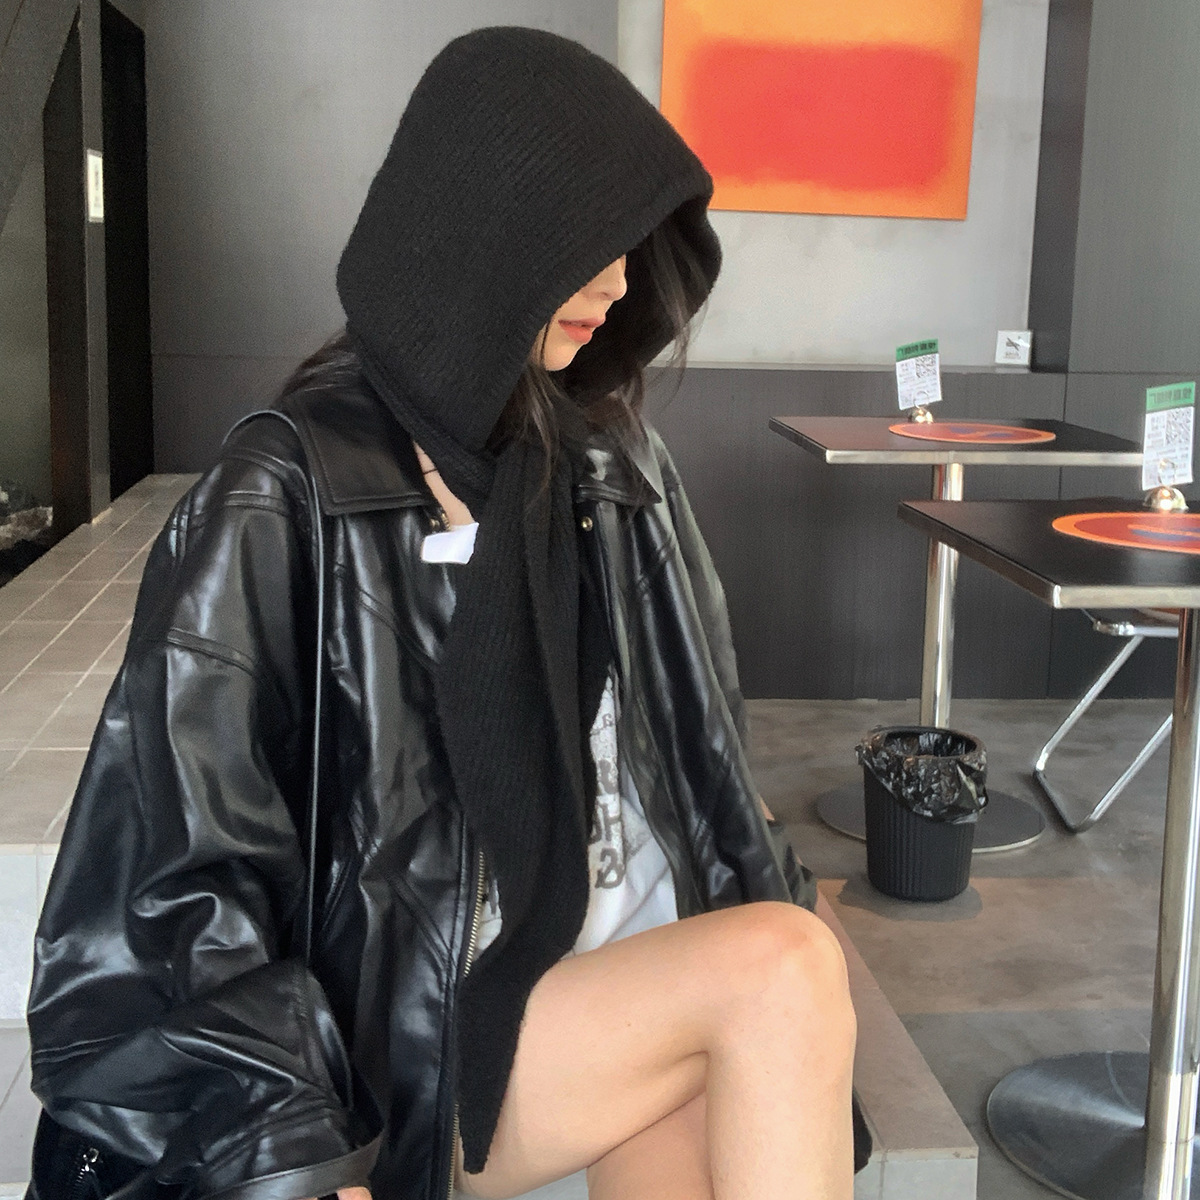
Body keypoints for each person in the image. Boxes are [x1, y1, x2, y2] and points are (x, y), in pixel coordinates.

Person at [24, 26, 862, 1200]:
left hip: (620, 974)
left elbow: (699, 750)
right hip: (413, 1036)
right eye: (586, 244)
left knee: (758, 1000)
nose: (620, 283)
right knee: (779, 973)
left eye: (629, 245)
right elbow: (171, 880)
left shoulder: (613, 465)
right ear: (486, 233)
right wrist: (291, 1151)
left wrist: (771, 888)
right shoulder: (289, 488)